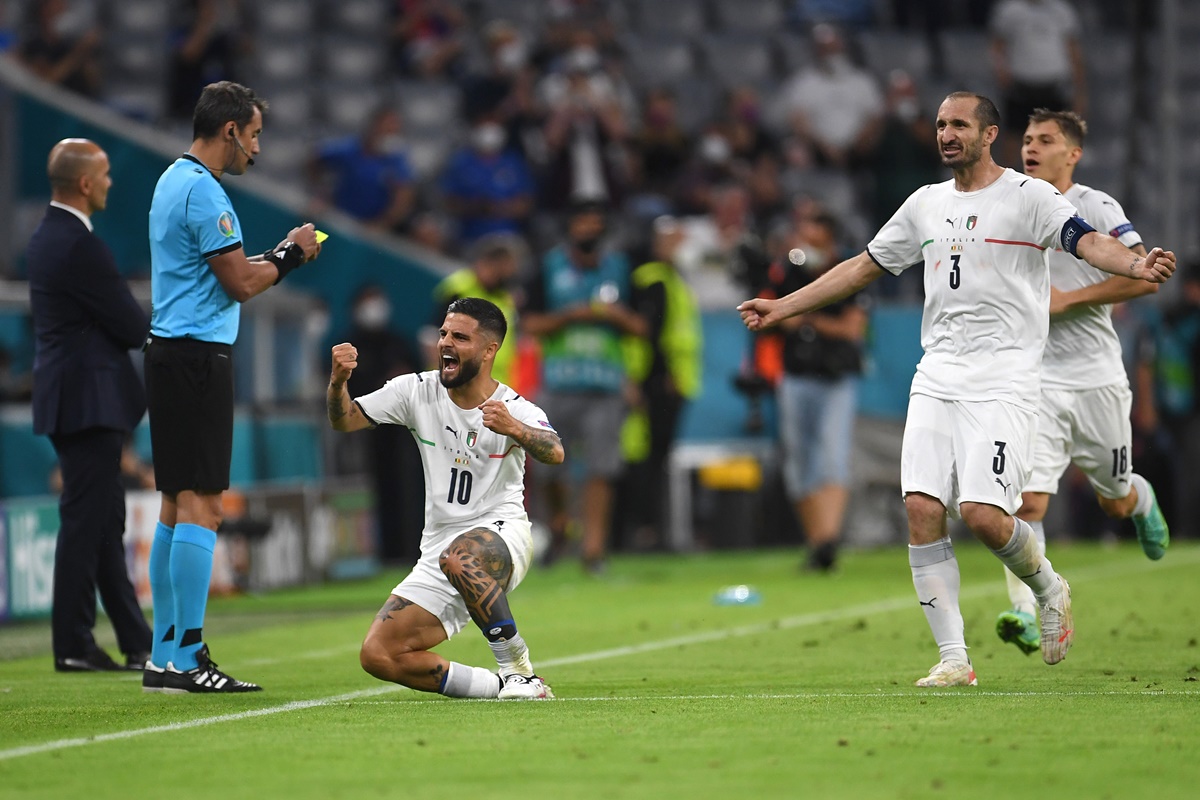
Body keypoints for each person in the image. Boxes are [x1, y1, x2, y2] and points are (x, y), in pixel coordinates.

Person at [737, 92, 1175, 687]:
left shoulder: (1029, 197)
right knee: (921, 508)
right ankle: (954, 660)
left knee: (986, 516)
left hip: (1006, 380)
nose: (947, 133)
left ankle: (1050, 588)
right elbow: (863, 265)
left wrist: (1135, 264)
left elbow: (1087, 242)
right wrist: (784, 306)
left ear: (989, 134)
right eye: (941, 124)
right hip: (937, 373)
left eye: (959, 124)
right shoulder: (924, 204)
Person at [142, 81, 322, 694]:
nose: (257, 149)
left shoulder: (170, 180)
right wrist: (292, 255)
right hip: (196, 358)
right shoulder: (204, 192)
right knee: (204, 505)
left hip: (169, 354)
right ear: (229, 132)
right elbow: (240, 283)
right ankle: (188, 655)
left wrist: (269, 256)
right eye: (254, 135)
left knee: (173, 506)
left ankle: (164, 654)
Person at [994, 109, 1170, 656]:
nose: (1033, 147)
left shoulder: (1095, 207)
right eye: (1027, 139)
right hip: (1035, 379)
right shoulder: (1012, 205)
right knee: (1026, 503)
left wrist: (1067, 301)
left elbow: (1144, 279)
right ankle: (1030, 609)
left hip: (1095, 376)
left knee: (1111, 500)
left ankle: (1140, 500)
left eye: (1047, 140)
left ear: (1073, 154)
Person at [328, 297, 563, 700]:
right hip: (438, 546)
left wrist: (515, 430)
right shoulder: (416, 390)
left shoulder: (513, 407)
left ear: (489, 350)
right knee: (379, 654)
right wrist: (337, 383)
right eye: (443, 334)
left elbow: (555, 451)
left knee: (460, 557)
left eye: (460, 337)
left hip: (501, 533)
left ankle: (518, 669)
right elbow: (344, 419)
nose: (444, 344)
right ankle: (496, 686)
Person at [27, 138, 153, 673]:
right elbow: (129, 325)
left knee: (102, 521)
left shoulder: (46, 238)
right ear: (83, 183)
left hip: (73, 397)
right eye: (103, 174)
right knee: (86, 522)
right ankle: (73, 642)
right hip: (89, 400)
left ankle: (134, 638)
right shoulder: (81, 245)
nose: (108, 182)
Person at [521, 199, 647, 572]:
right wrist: (569, 316)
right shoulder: (548, 268)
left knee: (600, 470)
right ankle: (560, 526)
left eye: (595, 224)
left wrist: (616, 316)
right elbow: (528, 324)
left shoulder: (622, 269)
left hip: (606, 384)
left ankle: (593, 551)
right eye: (582, 224)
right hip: (558, 382)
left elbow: (641, 328)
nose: (589, 232)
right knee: (546, 468)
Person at [764, 208, 869, 572]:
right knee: (799, 462)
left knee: (831, 455)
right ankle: (819, 545)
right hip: (795, 376)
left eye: (815, 228)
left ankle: (828, 540)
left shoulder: (848, 269)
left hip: (835, 378)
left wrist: (807, 318)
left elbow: (853, 330)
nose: (807, 235)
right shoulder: (788, 271)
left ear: (829, 234)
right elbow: (773, 318)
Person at [619, 215, 703, 551]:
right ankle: (640, 532)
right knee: (644, 458)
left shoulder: (669, 278)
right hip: (655, 382)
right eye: (675, 239)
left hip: (665, 380)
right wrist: (655, 376)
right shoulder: (652, 279)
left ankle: (647, 530)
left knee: (654, 458)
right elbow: (650, 334)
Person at [339, 284, 424, 566]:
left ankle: (411, 549)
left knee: (410, 490)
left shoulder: (398, 342)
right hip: (364, 432)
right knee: (371, 492)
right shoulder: (348, 345)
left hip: (402, 434)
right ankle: (377, 554)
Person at [430, 233, 524, 387]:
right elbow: (432, 334)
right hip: (459, 381)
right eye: (507, 266)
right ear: (490, 263)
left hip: (496, 384)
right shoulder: (458, 288)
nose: (510, 273)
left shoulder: (507, 298)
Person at [307, 106, 417, 235]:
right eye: (386, 127)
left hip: (371, 229)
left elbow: (403, 197)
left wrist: (381, 224)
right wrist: (321, 194)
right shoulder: (351, 148)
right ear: (374, 125)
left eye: (394, 129)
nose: (389, 132)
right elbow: (315, 159)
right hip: (338, 218)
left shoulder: (395, 159)